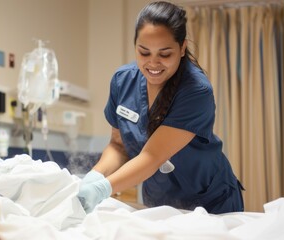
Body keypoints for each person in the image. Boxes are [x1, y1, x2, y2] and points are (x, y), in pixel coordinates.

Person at [77, 1, 244, 214]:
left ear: (182, 48)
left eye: (164, 54)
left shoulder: (196, 90)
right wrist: (96, 175)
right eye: (144, 52)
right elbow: (118, 146)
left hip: (210, 204)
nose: (153, 63)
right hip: (160, 202)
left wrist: (103, 188)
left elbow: (153, 156)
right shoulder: (122, 81)